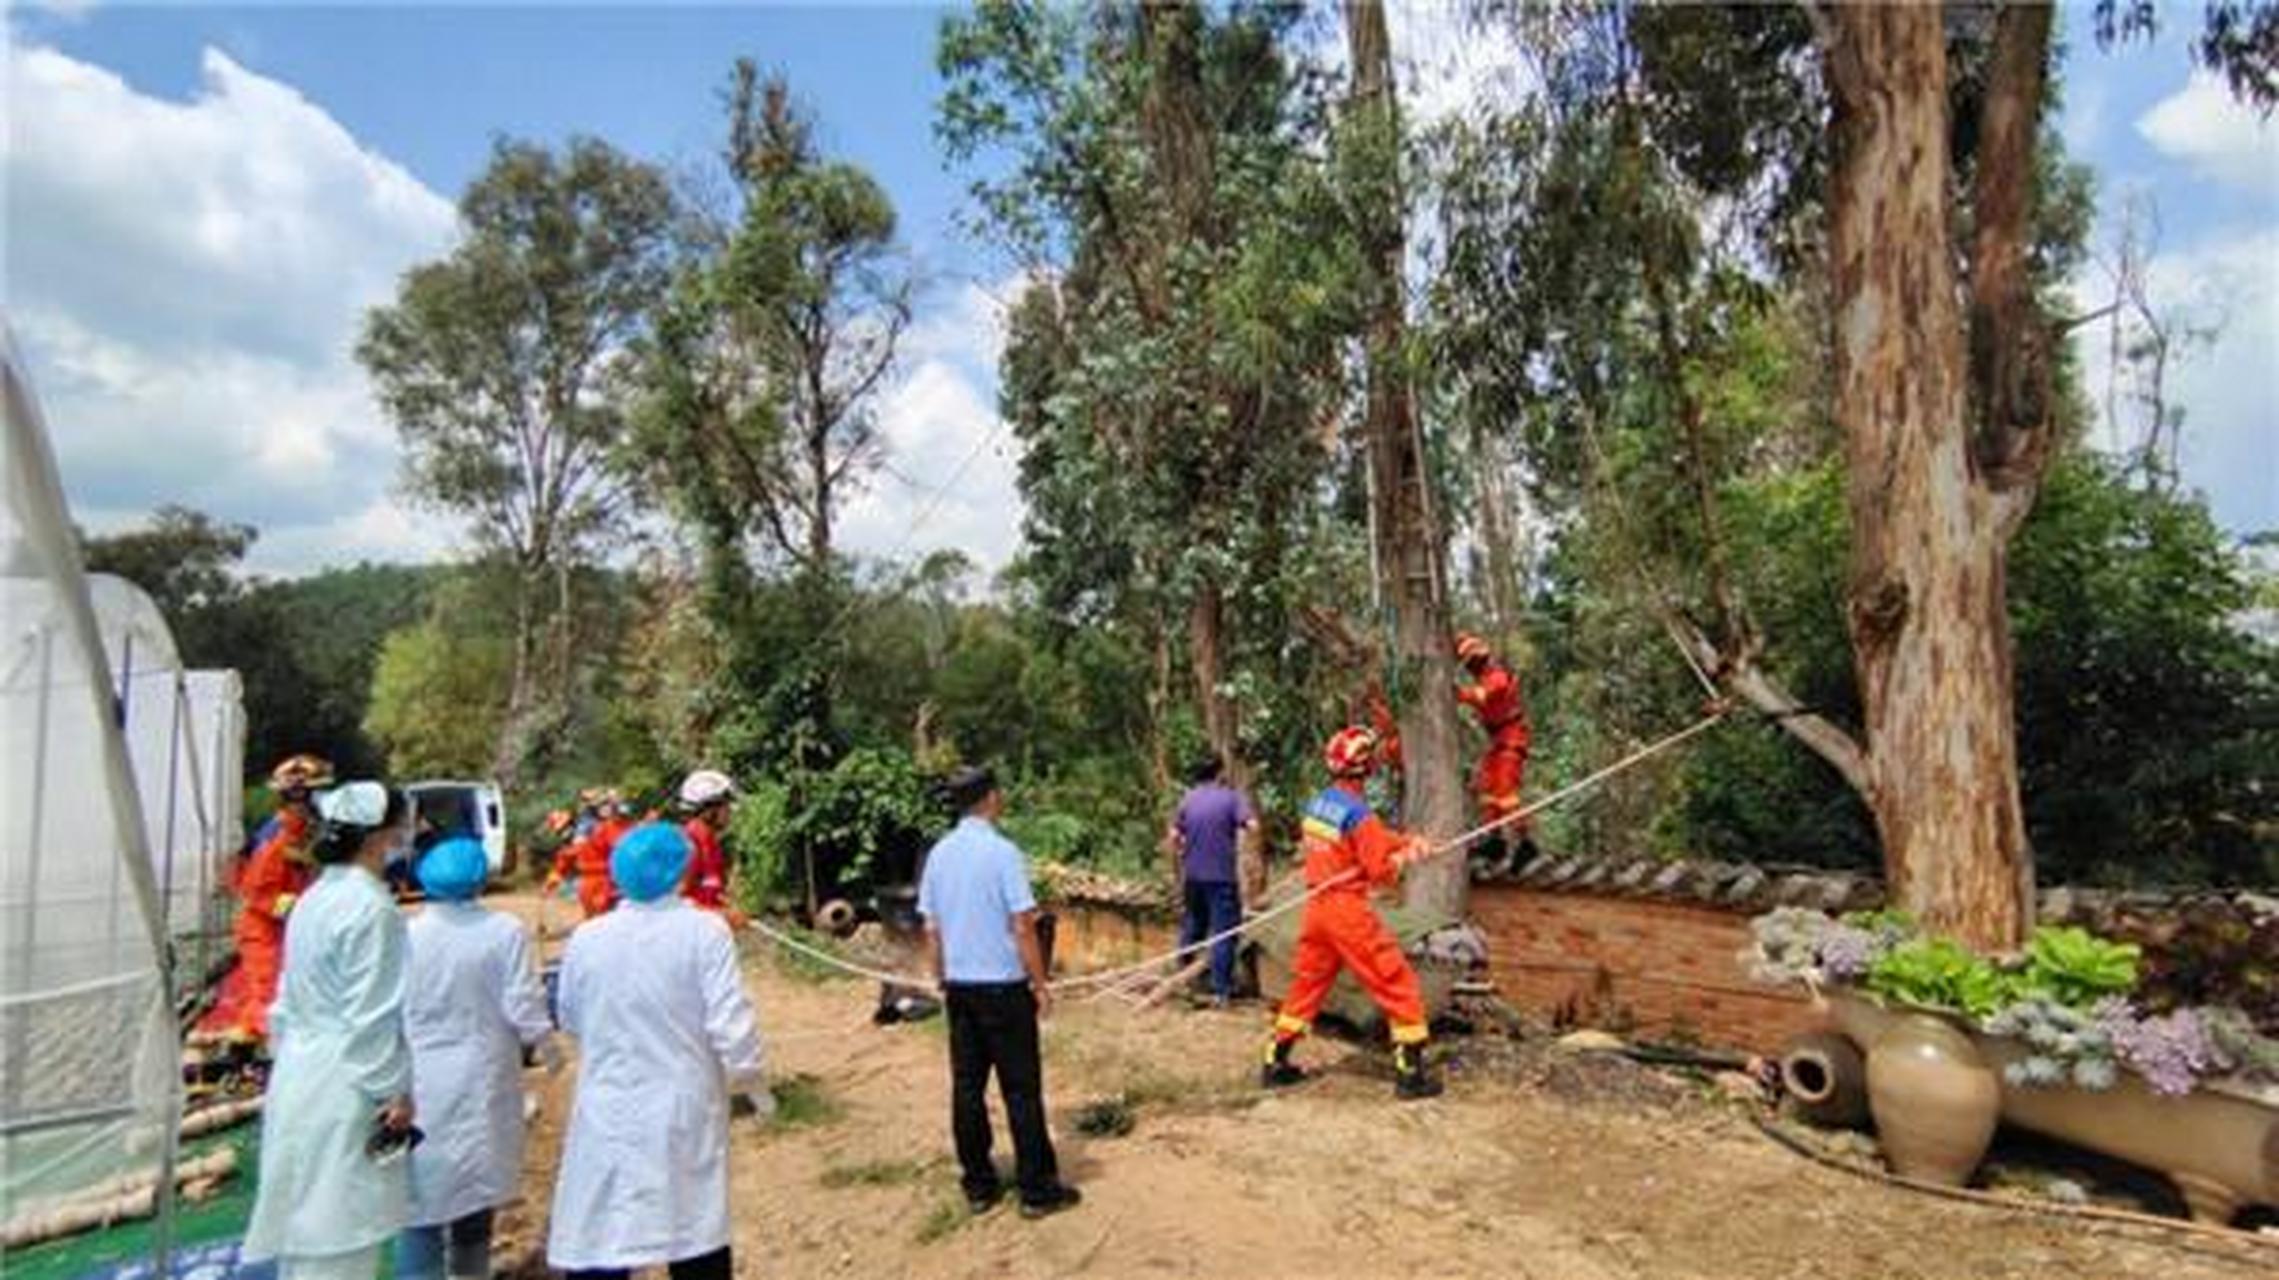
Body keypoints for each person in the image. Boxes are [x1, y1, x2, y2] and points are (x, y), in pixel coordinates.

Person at [547, 823, 766, 1280]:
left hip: (608, 1100)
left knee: (602, 1228)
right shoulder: (704, 932)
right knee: (694, 1230)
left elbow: (569, 1016)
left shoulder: (588, 938)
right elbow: (731, 1023)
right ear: (682, 872)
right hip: (681, 1102)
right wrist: (752, 1083)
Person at [242, 781, 418, 1280]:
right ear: (381, 835)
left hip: (300, 1072)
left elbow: (285, 1001)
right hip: (345, 1083)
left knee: (304, 1233)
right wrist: (393, 1092)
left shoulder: (313, 898)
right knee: (341, 1237)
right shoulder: (372, 910)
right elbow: (371, 1018)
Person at [918, 767, 1081, 1220]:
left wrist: (940, 976)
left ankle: (978, 1185)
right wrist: (1039, 983)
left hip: (960, 989)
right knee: (1021, 1089)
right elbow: (1023, 924)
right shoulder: (1002, 852)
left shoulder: (939, 855)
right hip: (1004, 989)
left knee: (967, 1087)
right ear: (990, 798)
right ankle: (1036, 1190)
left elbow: (930, 928)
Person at [396, 837, 557, 1280]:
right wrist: (550, 1051)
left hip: (420, 1078)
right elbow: (523, 1005)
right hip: (484, 1074)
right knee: (475, 1189)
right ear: (480, 879)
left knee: (420, 1203)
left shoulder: (407, 934)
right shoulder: (503, 931)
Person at [1260, 727, 1444, 1101]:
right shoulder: (1360, 815)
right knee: (1396, 981)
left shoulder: (1319, 804)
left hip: (1317, 908)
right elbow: (1381, 872)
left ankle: (1274, 1060)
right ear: (1368, 766)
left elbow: (1365, 839)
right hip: (1347, 912)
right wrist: (1408, 858)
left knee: (1307, 984)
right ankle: (1410, 1074)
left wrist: (1407, 840)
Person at [230, 754, 333, 1044]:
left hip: (285, 927)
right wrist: (301, 910)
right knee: (270, 993)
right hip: (264, 930)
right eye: (302, 795)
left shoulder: (306, 831)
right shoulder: (276, 837)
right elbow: (259, 894)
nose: (307, 802)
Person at [1162, 753, 1256, 1006]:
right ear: (1220, 772)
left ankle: (1184, 977)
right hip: (1221, 877)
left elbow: (1173, 836)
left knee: (1194, 925)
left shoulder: (1188, 799)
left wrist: (1184, 851)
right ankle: (1220, 991)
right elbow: (1252, 825)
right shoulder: (1231, 798)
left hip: (1193, 876)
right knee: (1224, 932)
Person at [1453, 633, 1536, 867]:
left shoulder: (1497, 677)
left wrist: (1459, 694)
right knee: (1487, 787)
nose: (1471, 668)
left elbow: (1483, 696)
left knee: (1506, 791)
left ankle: (1525, 843)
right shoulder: (1483, 678)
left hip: (1512, 738)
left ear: (1482, 659)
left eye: (1473, 662)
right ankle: (1495, 839)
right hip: (1498, 739)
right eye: (1469, 664)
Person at [547, 790, 631, 920]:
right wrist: (557, 873)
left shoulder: (610, 826)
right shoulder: (590, 826)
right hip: (600, 880)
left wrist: (557, 873)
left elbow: (572, 852)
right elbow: (572, 851)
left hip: (608, 879)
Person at [677, 769, 737, 916]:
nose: (730, 811)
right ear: (708, 809)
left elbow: (709, 892)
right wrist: (721, 914)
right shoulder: (689, 843)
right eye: (725, 805)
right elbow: (676, 901)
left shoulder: (710, 842)